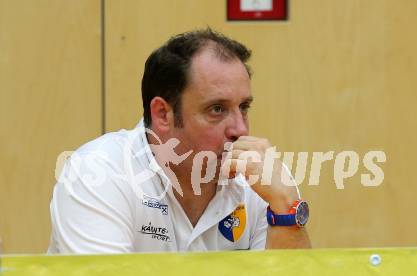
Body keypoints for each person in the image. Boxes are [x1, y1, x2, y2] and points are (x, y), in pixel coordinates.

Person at [48, 28, 311, 254]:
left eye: (243, 107)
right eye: (217, 109)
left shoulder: (264, 181)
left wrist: (286, 207)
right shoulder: (98, 172)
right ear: (163, 114)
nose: (240, 130)